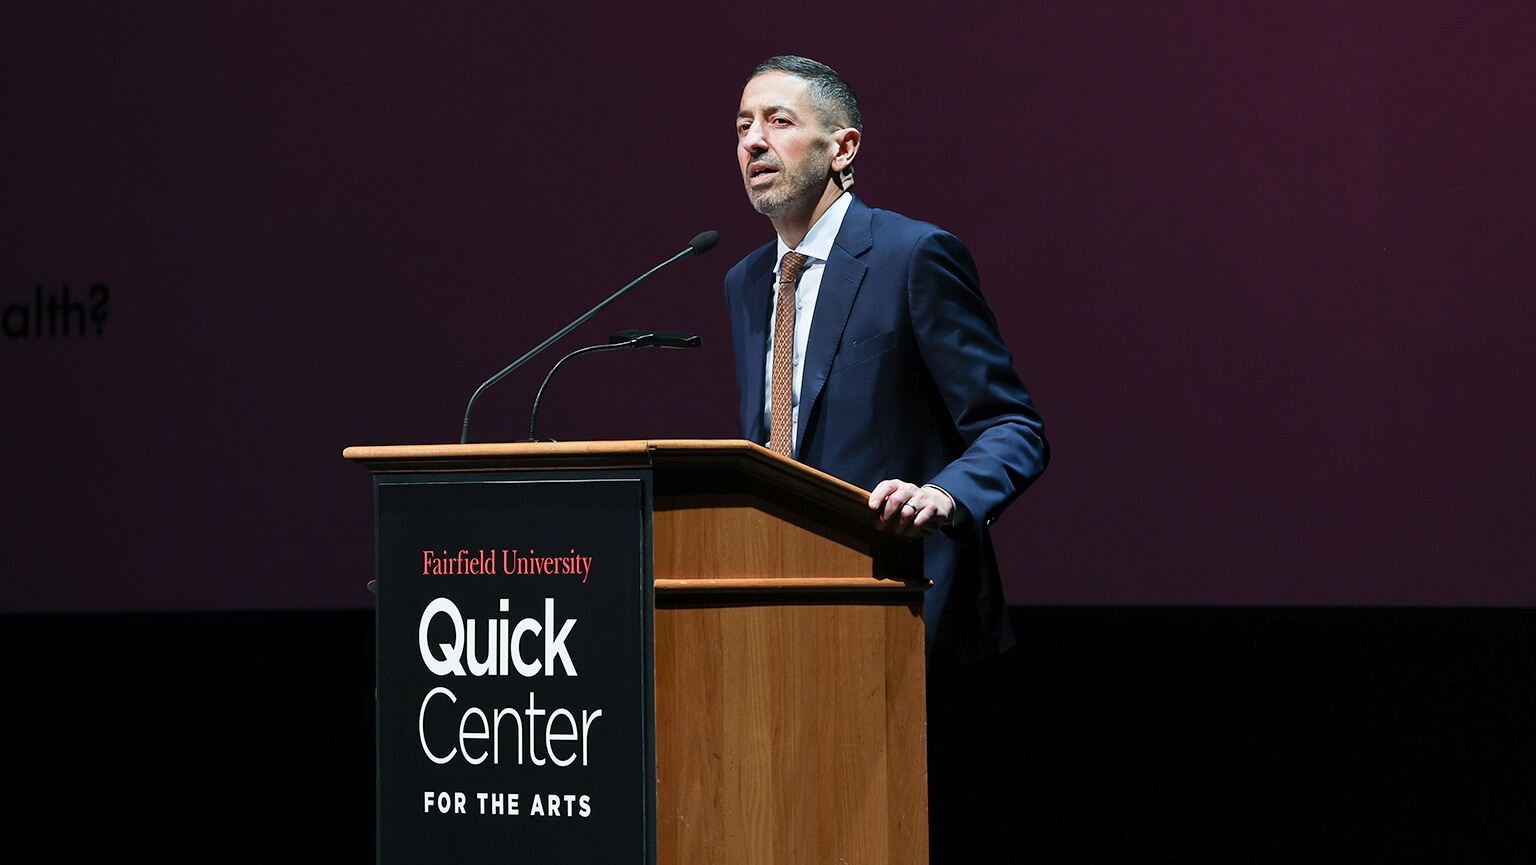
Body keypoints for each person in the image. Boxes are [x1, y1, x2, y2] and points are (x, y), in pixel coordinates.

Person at [725, 55, 1049, 664]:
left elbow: (1013, 428)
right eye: (743, 127)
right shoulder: (746, 283)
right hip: (787, 604)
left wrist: (944, 496)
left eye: (779, 121)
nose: (754, 141)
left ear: (843, 148)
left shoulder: (913, 257)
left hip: (908, 603)